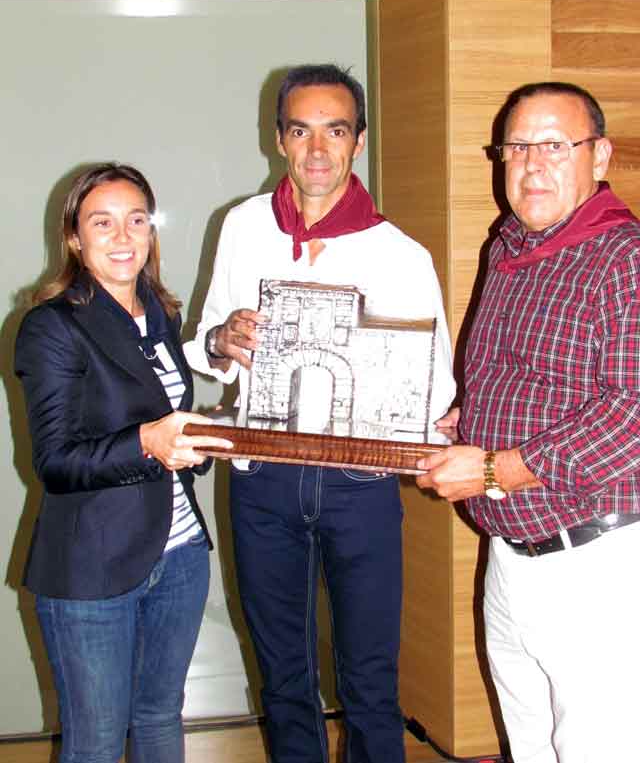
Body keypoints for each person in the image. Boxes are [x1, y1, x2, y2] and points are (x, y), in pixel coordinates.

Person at [184, 64, 456, 763]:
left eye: (334, 131)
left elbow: (436, 383)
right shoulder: (243, 227)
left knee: (369, 677)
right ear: (278, 139)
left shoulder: (402, 255)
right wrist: (222, 341)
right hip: (263, 481)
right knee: (283, 677)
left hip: (359, 487)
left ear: (358, 142)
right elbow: (209, 340)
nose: (316, 149)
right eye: (300, 130)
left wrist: (432, 426)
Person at [416, 82, 640, 762]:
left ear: (598, 156)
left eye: (553, 145)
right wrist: (466, 420)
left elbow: (632, 412)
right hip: (511, 558)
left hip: (596, 563)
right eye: (515, 148)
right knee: (530, 746)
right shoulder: (509, 246)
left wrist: (492, 468)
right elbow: (517, 376)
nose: (530, 164)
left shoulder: (623, 258)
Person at [14, 163, 232, 763]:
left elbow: (167, 420)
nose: (122, 237)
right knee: (97, 743)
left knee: (162, 717)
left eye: (136, 220)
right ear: (75, 239)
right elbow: (55, 462)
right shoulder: (52, 327)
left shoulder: (159, 314)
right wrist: (149, 443)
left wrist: (199, 440)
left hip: (181, 555)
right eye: (101, 222)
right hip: (93, 571)